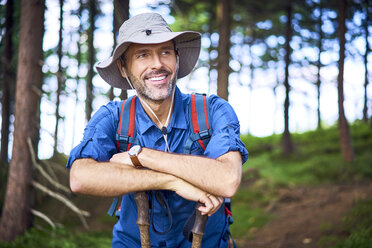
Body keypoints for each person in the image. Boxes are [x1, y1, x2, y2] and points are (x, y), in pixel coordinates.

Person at [67, 12, 248, 248]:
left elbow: (227, 181)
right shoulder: (113, 116)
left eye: (165, 52)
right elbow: (80, 178)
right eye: (143, 55)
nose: (157, 64)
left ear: (177, 58)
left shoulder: (213, 110)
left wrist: (139, 155)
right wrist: (171, 181)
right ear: (123, 68)